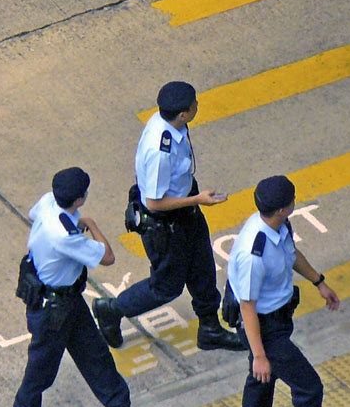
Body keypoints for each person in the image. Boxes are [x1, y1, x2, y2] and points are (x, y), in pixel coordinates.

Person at [11, 167, 168, 407]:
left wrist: (74, 221)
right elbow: (108, 257)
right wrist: (92, 225)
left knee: (96, 356)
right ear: (80, 199)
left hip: (68, 302)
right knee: (41, 369)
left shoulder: (49, 202)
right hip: (52, 310)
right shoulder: (65, 236)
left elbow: (36, 215)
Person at [93, 81, 245, 352]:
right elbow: (154, 202)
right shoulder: (159, 150)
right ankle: (112, 310)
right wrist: (198, 200)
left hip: (186, 213)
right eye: (194, 104)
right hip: (166, 225)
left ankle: (209, 329)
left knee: (203, 269)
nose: (198, 105)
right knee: (166, 287)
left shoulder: (172, 124)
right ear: (184, 114)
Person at [227, 175, 344, 407]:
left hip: (277, 319)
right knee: (308, 387)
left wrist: (319, 282)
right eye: (292, 200)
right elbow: (247, 307)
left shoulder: (278, 226)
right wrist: (260, 354)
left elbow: (292, 255)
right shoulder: (253, 252)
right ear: (283, 209)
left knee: (262, 378)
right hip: (263, 328)